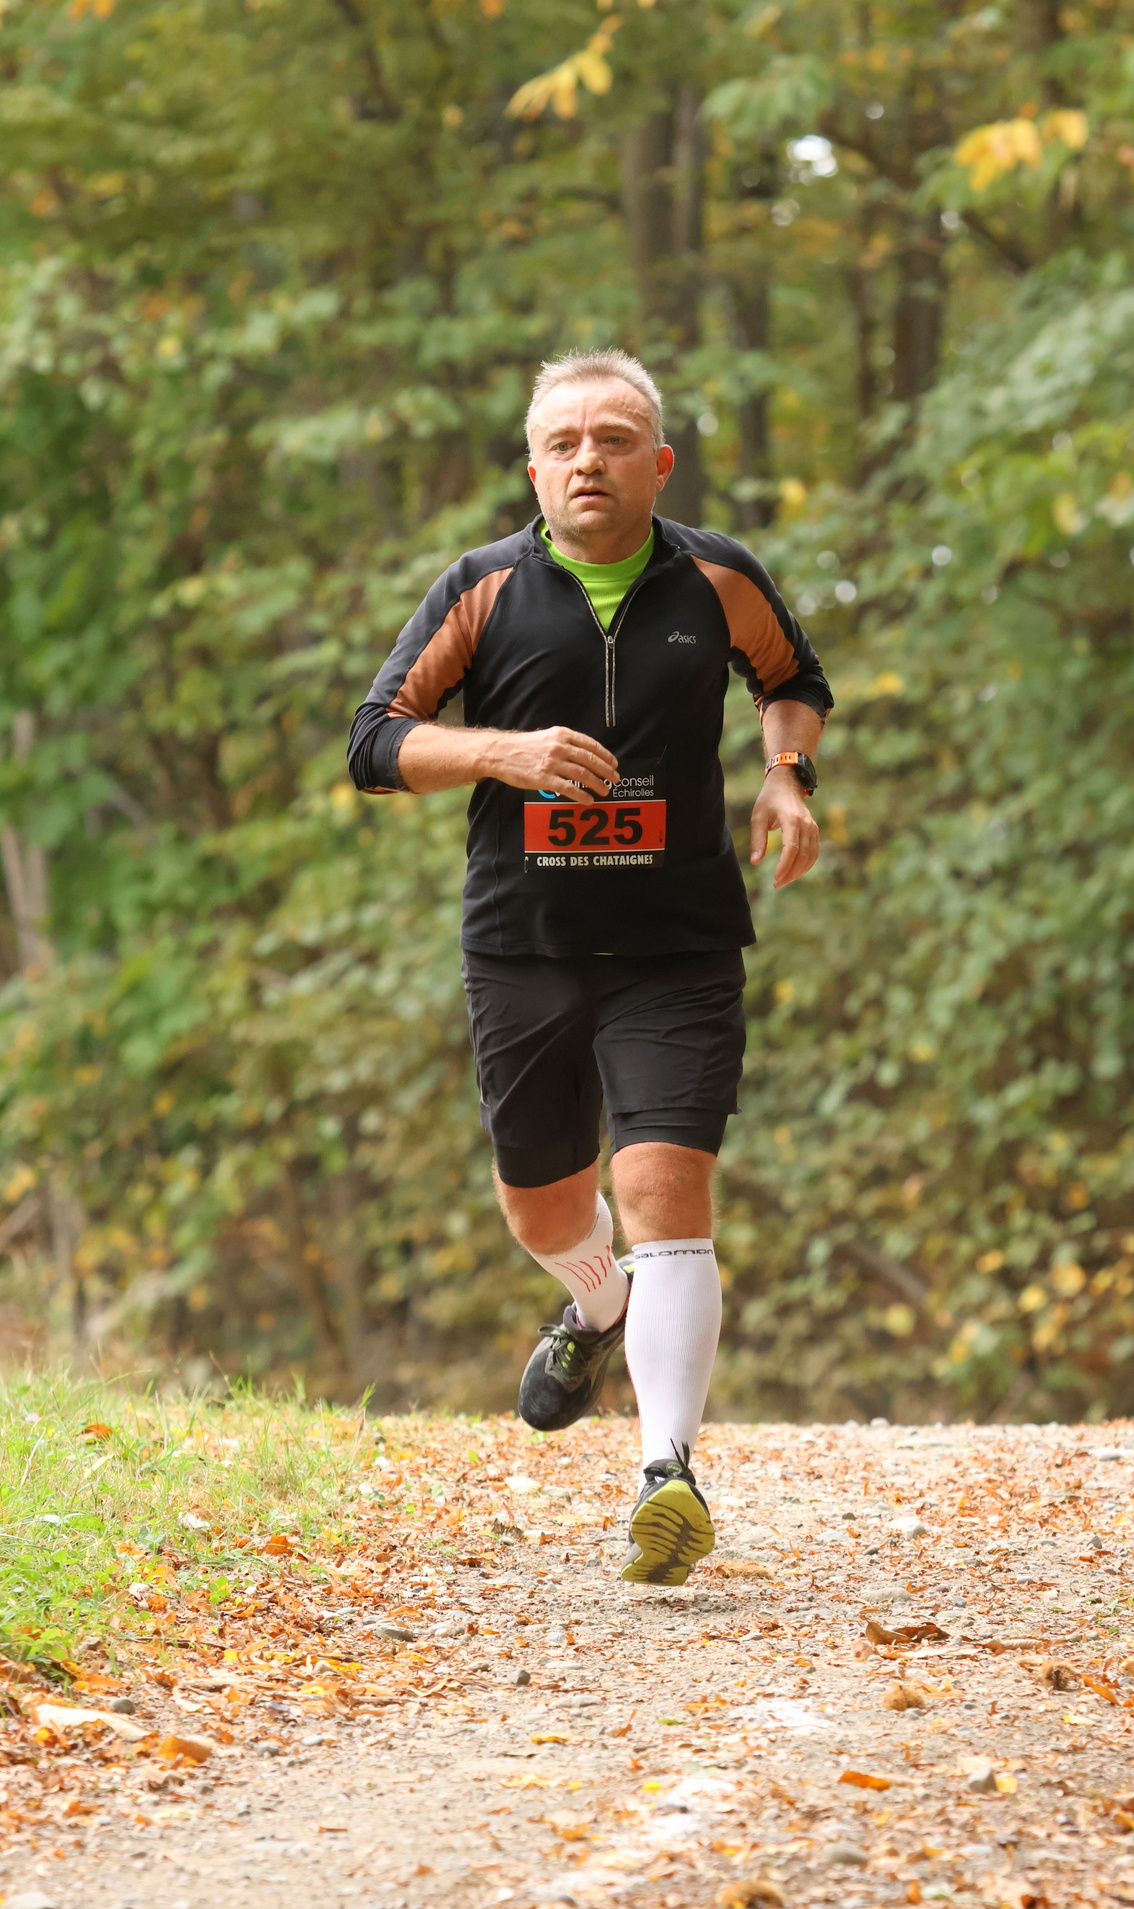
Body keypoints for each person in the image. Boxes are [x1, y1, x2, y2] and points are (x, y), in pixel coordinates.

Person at [348, 348, 832, 1586]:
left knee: (663, 1185)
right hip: (525, 946)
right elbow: (374, 742)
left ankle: (666, 1473)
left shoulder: (717, 578)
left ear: (656, 464)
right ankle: (595, 1302)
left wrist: (785, 776)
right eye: (561, 443)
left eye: (612, 440)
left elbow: (790, 682)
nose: (586, 461)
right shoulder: (481, 589)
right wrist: (499, 753)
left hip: (677, 942)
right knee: (545, 1210)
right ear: (532, 471)